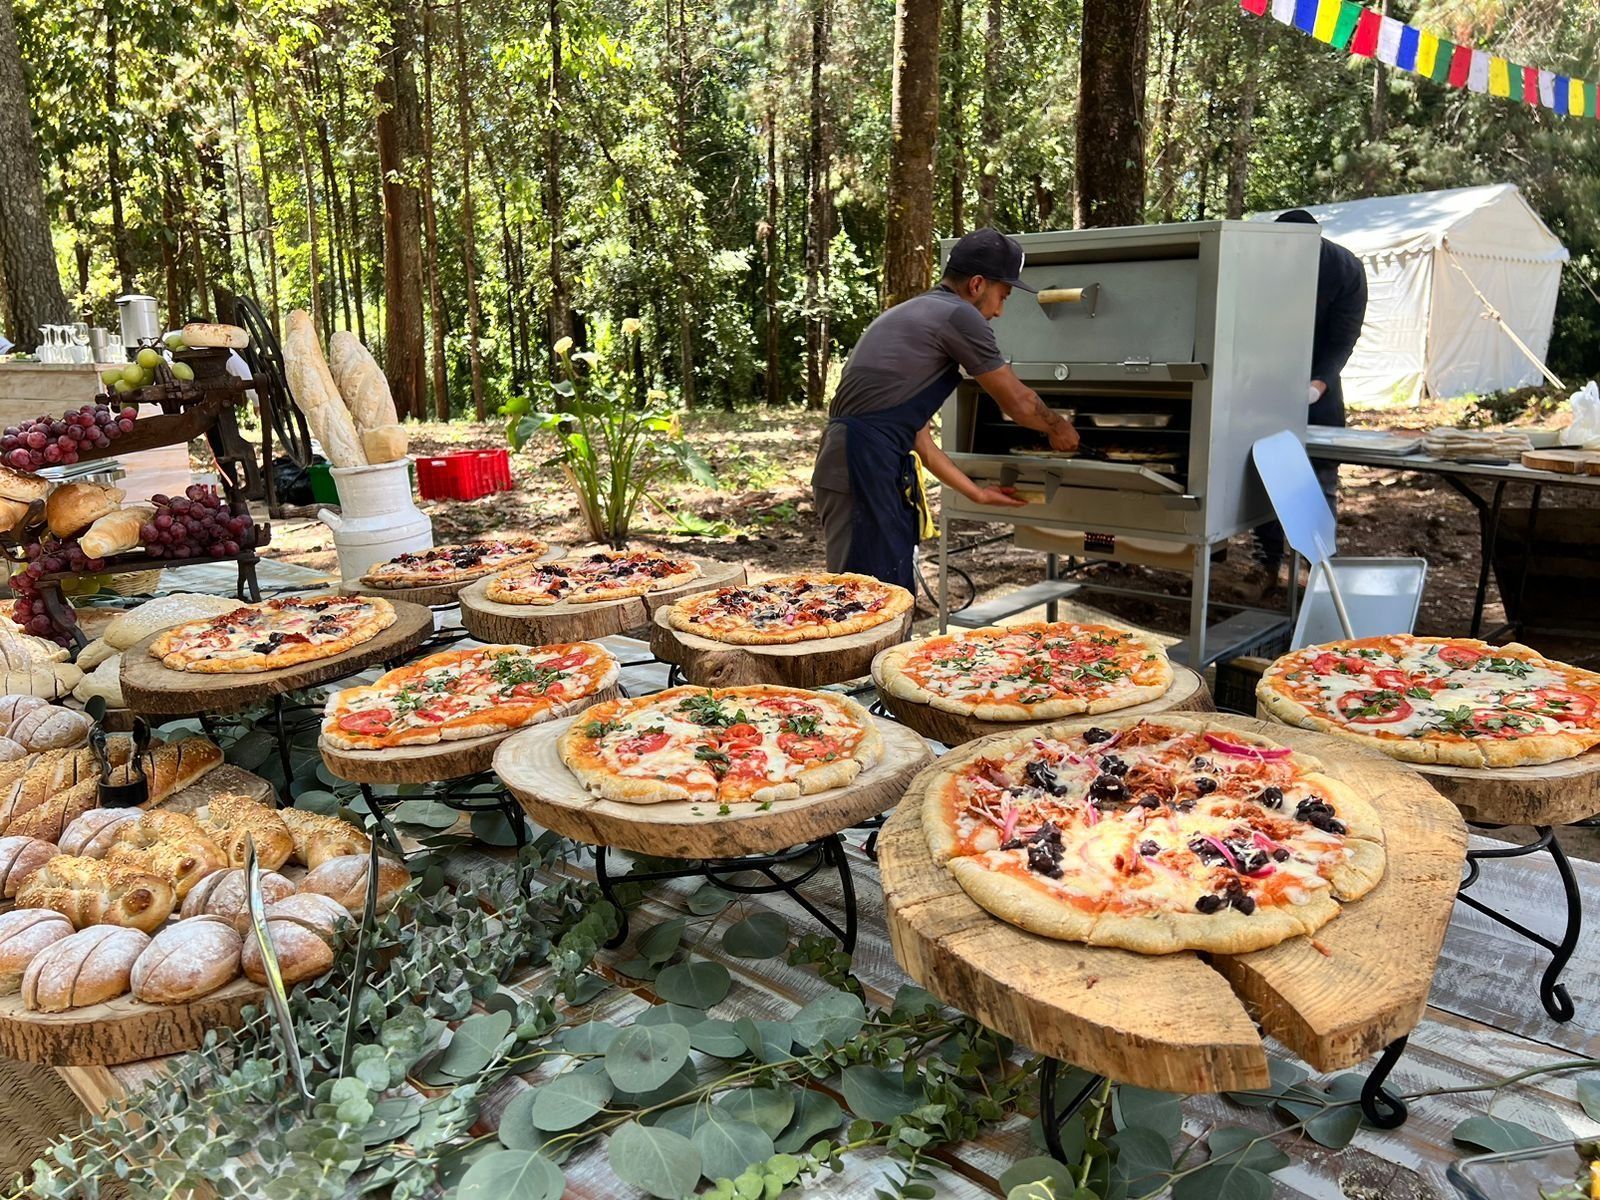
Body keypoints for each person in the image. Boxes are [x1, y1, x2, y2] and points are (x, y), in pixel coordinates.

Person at [811, 228, 1079, 592]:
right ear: (978, 284)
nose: (1000, 310)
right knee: (866, 600)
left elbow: (920, 439)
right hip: (862, 465)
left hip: (859, 460)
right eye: (1003, 296)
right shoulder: (958, 316)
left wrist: (977, 493)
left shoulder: (913, 312)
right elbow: (1018, 402)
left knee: (882, 594)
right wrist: (1057, 427)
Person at [1248, 209, 1369, 598]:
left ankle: (1320, 572)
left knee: (1320, 480)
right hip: (1262, 384)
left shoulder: (1345, 269)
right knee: (1263, 476)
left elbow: (1343, 338)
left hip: (1319, 390)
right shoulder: (1256, 264)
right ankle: (1265, 564)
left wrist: (1317, 385)